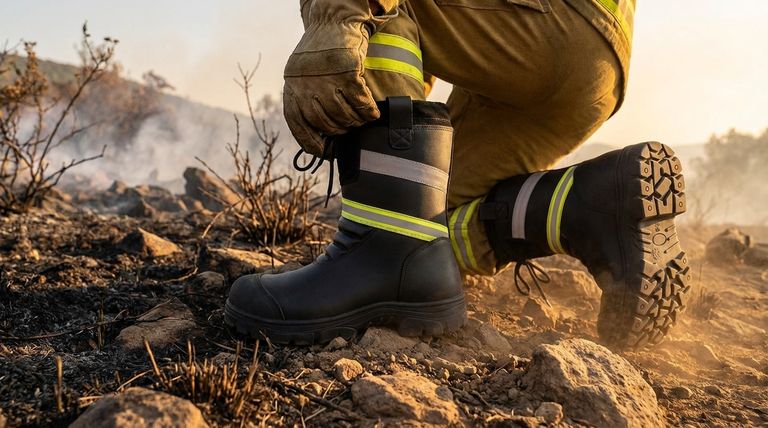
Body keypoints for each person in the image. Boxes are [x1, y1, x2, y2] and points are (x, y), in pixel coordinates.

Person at [225, 0, 692, 350]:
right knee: (428, 223)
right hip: (596, 63)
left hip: (546, 18)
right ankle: (593, 205)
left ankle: (378, 252)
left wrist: (335, 16)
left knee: (380, 8)